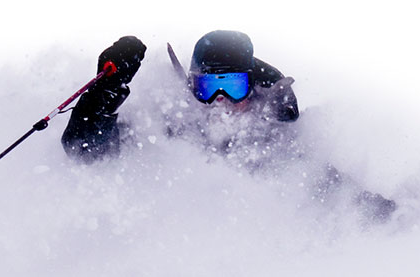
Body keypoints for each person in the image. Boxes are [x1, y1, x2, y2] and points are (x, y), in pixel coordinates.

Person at [61, 30, 396, 222]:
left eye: (233, 86)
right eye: (207, 88)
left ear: (254, 87)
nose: (220, 100)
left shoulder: (276, 147)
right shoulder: (168, 128)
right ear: (190, 86)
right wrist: (104, 90)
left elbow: (342, 198)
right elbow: (84, 151)